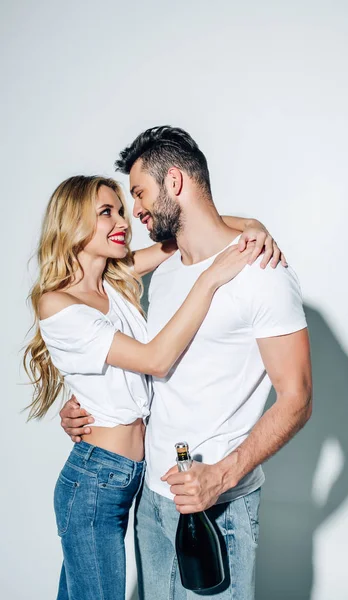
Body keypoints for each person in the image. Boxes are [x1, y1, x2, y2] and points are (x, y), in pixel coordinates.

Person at [60, 126, 312, 600]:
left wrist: (221, 475)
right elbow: (163, 372)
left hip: (214, 505)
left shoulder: (262, 273)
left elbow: (297, 399)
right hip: (150, 499)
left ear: (174, 182)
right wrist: (88, 405)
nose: (135, 211)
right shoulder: (168, 269)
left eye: (138, 193)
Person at [24, 174, 280, 600]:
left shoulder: (113, 278)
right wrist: (211, 278)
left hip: (133, 476)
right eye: (106, 212)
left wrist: (251, 224)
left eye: (121, 208)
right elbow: (154, 360)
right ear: (72, 224)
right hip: (95, 480)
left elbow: (187, 235)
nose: (122, 219)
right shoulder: (58, 302)